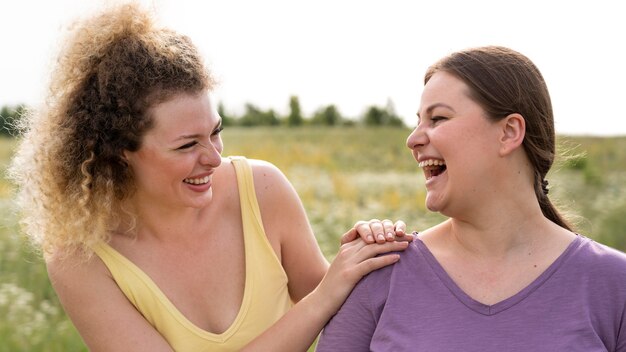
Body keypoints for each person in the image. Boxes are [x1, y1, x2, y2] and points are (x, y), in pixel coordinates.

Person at [7, 3, 413, 351]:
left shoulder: (262, 188)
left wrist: (364, 257)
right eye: (187, 146)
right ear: (120, 151)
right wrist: (325, 295)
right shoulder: (80, 256)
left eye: (215, 132)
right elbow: (323, 300)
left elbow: (350, 320)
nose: (214, 158)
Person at [316, 45, 626, 351]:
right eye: (418, 121)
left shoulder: (615, 285)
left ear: (508, 132)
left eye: (437, 119)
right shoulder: (380, 272)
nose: (413, 139)